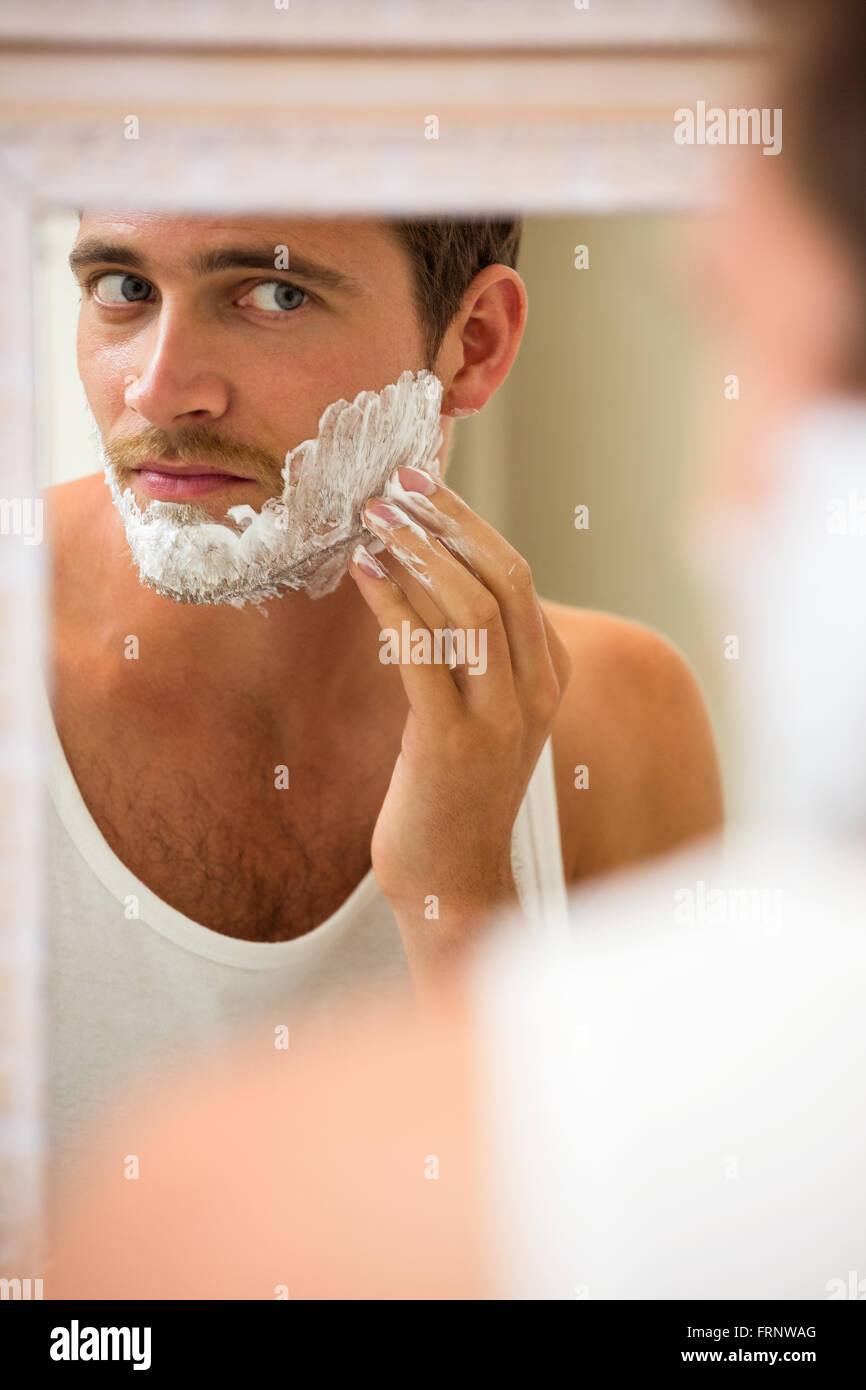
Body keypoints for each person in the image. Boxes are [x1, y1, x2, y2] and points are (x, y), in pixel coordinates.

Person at [42, 211, 722, 1208]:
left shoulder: (619, 724)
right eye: (124, 288)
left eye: (274, 294)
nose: (158, 388)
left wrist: (461, 894)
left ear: (472, 345)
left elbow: (657, 1260)